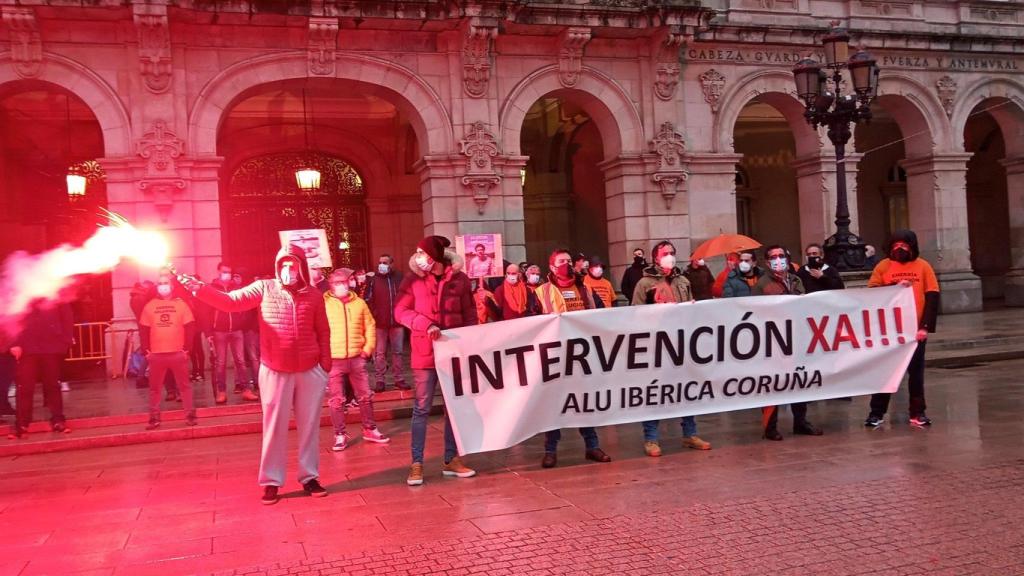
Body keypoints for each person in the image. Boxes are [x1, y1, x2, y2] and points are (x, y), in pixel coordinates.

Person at [186, 245, 332, 505]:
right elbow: (229, 303)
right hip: (275, 368)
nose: (288, 270)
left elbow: (323, 329)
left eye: (293, 264)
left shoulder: (313, 295)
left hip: (309, 369)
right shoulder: (264, 288)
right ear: (277, 267)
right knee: (274, 426)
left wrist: (325, 363)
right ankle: (271, 481)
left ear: (302, 267)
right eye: (284, 265)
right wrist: (200, 289)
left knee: (309, 426)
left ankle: (309, 476)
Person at [394, 235, 478, 486]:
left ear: (436, 256)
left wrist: (471, 343)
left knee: (453, 408)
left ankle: (451, 459)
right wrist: (425, 323)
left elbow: (469, 314)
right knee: (421, 409)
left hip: (453, 354)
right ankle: (416, 463)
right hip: (425, 353)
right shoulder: (413, 280)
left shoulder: (460, 280)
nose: (418, 256)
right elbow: (401, 311)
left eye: (422, 252)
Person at [631, 241, 711, 456]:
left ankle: (690, 433)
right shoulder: (645, 283)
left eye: (672, 253)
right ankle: (651, 437)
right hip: (657, 345)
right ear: (656, 258)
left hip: (682, 342)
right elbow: (635, 314)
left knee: (687, 389)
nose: (670, 256)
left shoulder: (683, 280)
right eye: (665, 253)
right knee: (654, 390)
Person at [533, 248, 611, 468]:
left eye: (568, 261)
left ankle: (592, 446)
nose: (566, 264)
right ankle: (550, 450)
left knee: (583, 402)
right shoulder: (541, 292)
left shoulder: (585, 289)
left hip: (581, 356)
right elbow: (529, 321)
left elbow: (603, 315)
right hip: (555, 357)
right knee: (553, 404)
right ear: (551, 267)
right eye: (561, 261)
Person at [865, 230, 940, 428]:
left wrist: (925, 327)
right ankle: (876, 413)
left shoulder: (923, 266)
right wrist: (893, 285)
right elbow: (872, 293)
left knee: (916, 374)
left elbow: (932, 296)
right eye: (896, 245)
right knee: (886, 372)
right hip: (890, 331)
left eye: (904, 245)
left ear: (912, 246)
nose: (900, 248)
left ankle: (918, 412)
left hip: (915, 332)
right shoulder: (883, 266)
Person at [751, 245, 823, 440]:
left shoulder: (796, 280)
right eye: (773, 257)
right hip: (773, 341)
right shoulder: (761, 285)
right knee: (773, 384)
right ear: (767, 262)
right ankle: (770, 427)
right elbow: (754, 312)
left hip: (796, 338)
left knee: (799, 380)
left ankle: (800, 421)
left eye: (781, 256)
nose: (778, 259)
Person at [324, 268, 390, 451]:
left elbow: (370, 325)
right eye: (337, 283)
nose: (341, 286)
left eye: (343, 282)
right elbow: (318, 330)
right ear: (331, 285)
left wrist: (367, 349)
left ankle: (370, 429)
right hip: (334, 359)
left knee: (365, 396)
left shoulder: (359, 303)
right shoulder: (324, 303)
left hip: (356, 358)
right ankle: (339, 434)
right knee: (336, 400)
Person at [7, 299, 74, 438]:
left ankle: (58, 419)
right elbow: (12, 317)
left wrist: (65, 340)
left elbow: (67, 316)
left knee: (53, 385)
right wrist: (14, 343)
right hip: (26, 346)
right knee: (24, 387)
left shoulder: (56, 290)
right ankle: (22, 423)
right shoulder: (21, 288)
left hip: (51, 345)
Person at [139, 270, 197, 430]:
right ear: (156, 287)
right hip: (156, 355)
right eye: (160, 284)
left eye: (166, 283)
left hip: (178, 353)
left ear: (171, 286)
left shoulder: (181, 304)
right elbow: (143, 329)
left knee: (184, 386)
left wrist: (187, 349)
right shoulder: (149, 306)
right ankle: (154, 419)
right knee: (155, 389)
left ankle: (190, 416)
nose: (163, 286)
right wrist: (146, 351)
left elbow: (190, 326)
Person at [204, 262, 258, 403]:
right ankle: (221, 392)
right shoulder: (212, 289)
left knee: (240, 361)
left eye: (229, 271)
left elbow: (244, 307)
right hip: (219, 331)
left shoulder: (236, 288)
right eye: (224, 271)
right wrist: (208, 332)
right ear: (218, 272)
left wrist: (244, 324)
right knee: (220, 363)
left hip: (237, 330)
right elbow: (206, 312)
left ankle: (246, 389)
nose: (226, 274)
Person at [366, 254, 408, 393]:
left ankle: (399, 379)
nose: (382, 264)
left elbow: (406, 297)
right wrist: (375, 315)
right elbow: (368, 299)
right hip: (380, 323)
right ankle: (380, 380)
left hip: (397, 322)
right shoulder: (373, 280)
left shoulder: (399, 278)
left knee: (398, 352)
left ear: (391, 264)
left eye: (385, 262)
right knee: (380, 353)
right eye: (380, 262)